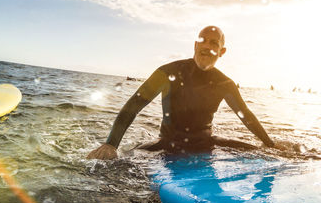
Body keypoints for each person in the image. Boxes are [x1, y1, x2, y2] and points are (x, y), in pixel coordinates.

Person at [87, 26, 275, 160]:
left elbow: (246, 116)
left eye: (214, 43)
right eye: (203, 41)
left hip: (206, 143)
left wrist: (270, 144)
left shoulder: (225, 83)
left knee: (272, 155)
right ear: (195, 45)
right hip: (167, 143)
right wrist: (111, 144)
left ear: (222, 51)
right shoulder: (168, 72)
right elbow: (133, 107)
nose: (207, 46)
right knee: (116, 165)